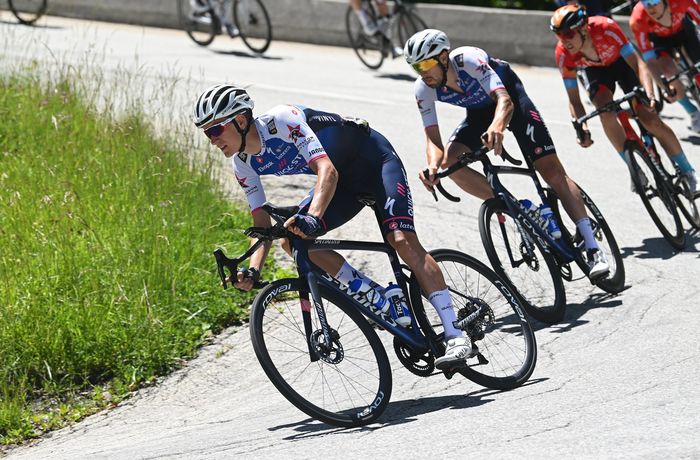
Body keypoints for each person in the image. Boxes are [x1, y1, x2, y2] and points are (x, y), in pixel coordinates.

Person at [192, 84, 474, 368]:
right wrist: (252, 270)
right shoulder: (243, 164)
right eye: (206, 133)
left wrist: (313, 217)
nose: (212, 139)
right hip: (341, 185)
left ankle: (455, 333)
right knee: (290, 241)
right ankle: (380, 297)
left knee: (401, 240)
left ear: (240, 120)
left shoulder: (281, 121)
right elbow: (261, 224)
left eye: (215, 130)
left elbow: (326, 170)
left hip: (375, 162)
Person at [402, 29, 610, 277]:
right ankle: (517, 207)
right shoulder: (423, 89)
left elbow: (505, 101)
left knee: (551, 170)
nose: (422, 72)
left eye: (425, 64)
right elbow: (433, 140)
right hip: (480, 114)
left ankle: (592, 246)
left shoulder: (468, 60)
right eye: (416, 67)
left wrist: (497, 127)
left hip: (511, 100)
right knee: (449, 162)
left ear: (444, 57)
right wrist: (432, 167)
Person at [551, 4, 698, 193]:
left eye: (568, 34)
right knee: (605, 112)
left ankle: (688, 171)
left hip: (625, 65)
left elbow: (639, 64)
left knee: (649, 119)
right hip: (596, 72)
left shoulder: (606, 28)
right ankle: (634, 168)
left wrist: (649, 95)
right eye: (559, 35)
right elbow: (574, 99)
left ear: (583, 28)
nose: (565, 41)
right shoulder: (563, 54)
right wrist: (582, 126)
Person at [629, 0, 700, 132]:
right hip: (661, 41)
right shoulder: (638, 18)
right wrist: (665, 87)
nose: (650, 8)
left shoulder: (681, 2)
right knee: (668, 73)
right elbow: (649, 61)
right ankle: (693, 112)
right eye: (646, 3)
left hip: (684, 31)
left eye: (654, 1)